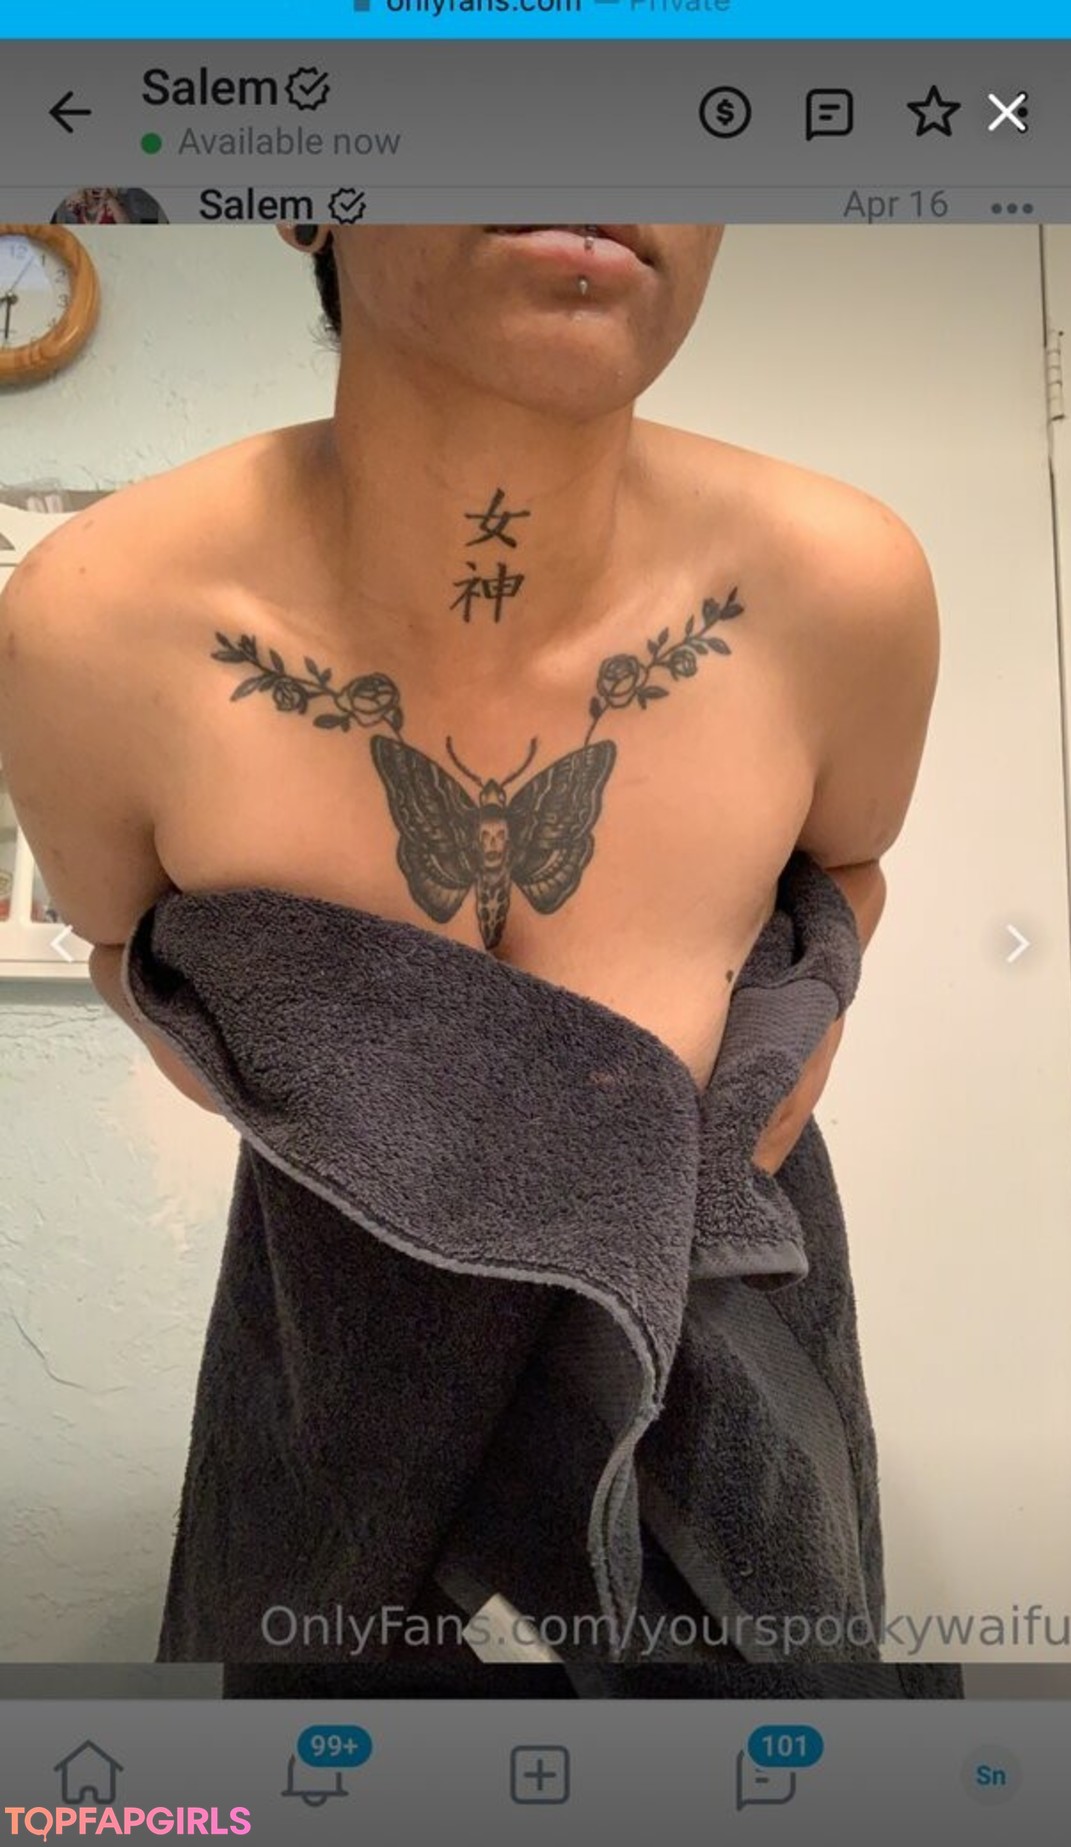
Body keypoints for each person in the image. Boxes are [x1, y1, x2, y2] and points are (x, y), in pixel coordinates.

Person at [0, 224, 940, 1697]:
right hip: (334, 1420)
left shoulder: (844, 592)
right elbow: (138, 953)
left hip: (734, 1406)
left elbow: (845, 878)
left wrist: (755, 1084)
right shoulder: (90, 634)